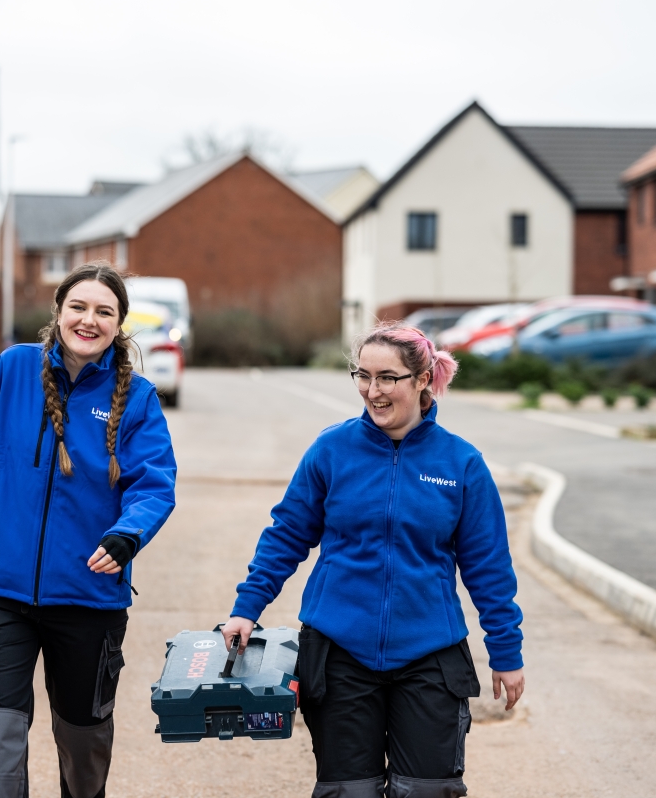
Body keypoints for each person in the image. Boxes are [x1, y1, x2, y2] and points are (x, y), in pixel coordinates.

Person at [0, 262, 177, 798]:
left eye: (104, 311)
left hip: (88, 598)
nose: (88, 320)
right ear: (59, 312)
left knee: (83, 741)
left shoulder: (138, 398)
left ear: (118, 324)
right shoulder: (12, 370)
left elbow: (154, 486)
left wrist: (127, 534)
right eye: (78, 307)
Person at [221, 323, 524, 798]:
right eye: (363, 376)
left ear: (422, 380)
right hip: (340, 651)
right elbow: (286, 535)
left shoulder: (461, 464)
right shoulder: (331, 450)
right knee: (350, 793)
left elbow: (489, 569)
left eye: (388, 378)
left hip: (429, 653)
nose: (373, 391)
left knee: (425, 791)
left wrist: (506, 652)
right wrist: (246, 607)